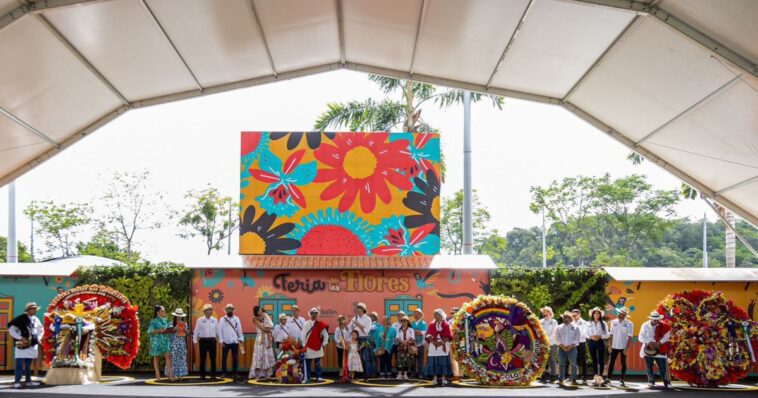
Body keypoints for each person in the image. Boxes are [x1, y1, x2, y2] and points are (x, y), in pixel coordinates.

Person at [8, 302, 44, 389]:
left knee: (28, 365)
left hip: (32, 345)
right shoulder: (20, 319)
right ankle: (17, 382)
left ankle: (28, 381)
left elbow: (40, 329)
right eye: (33, 309)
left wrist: (38, 338)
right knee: (19, 364)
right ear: (28, 310)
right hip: (22, 345)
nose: (35, 310)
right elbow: (11, 330)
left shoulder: (36, 319)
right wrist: (19, 338)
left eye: (35, 309)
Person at [639, 311, 671, 389]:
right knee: (649, 366)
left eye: (657, 319)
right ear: (651, 319)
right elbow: (641, 337)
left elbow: (667, 336)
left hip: (660, 348)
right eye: (654, 319)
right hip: (648, 348)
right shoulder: (645, 325)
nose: (656, 321)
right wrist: (649, 342)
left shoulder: (663, 325)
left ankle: (666, 382)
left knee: (662, 366)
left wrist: (659, 343)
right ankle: (651, 381)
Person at [425, 309, 452, 385]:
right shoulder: (431, 324)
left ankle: (443, 378)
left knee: (443, 362)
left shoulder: (446, 325)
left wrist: (441, 343)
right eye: (434, 314)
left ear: (441, 316)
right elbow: (428, 335)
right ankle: (435, 378)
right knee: (434, 361)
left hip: (443, 345)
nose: (434, 316)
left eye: (436, 314)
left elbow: (448, 336)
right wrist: (434, 342)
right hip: (434, 346)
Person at [301, 307, 329, 382]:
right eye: (313, 313)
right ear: (310, 314)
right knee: (308, 363)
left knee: (318, 363)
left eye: (315, 313)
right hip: (308, 346)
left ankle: (319, 376)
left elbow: (325, 335)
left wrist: (324, 343)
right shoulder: (306, 323)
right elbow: (303, 335)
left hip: (318, 346)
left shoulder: (320, 323)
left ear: (317, 314)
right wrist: (304, 345)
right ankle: (308, 376)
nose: (314, 315)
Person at [608, 307, 633, 387]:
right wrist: (610, 346)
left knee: (623, 363)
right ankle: (608, 379)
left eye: (621, 313)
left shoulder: (629, 323)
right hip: (614, 346)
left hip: (623, 346)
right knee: (611, 362)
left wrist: (626, 348)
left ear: (625, 315)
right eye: (618, 313)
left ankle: (622, 380)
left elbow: (630, 336)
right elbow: (611, 334)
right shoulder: (613, 322)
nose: (618, 314)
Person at [218, 303, 244, 380]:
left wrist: (241, 339)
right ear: (226, 310)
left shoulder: (237, 319)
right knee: (224, 358)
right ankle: (223, 373)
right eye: (228, 309)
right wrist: (221, 341)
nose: (230, 310)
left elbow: (239, 329)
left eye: (231, 309)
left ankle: (235, 373)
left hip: (235, 341)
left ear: (233, 310)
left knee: (235, 358)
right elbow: (220, 331)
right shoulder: (222, 319)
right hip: (225, 342)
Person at [193, 303, 219, 380]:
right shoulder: (200, 320)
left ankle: (213, 375)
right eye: (208, 310)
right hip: (203, 341)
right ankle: (202, 375)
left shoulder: (215, 320)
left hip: (212, 340)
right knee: (203, 358)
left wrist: (221, 340)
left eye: (211, 310)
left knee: (213, 359)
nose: (210, 311)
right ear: (204, 311)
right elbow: (196, 331)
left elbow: (218, 331)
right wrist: (194, 341)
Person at [554, 311, 581, 386]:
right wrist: (563, 346)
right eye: (565, 317)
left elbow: (577, 339)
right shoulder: (559, 327)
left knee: (573, 364)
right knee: (561, 364)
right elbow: (556, 338)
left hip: (572, 348)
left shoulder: (576, 327)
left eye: (568, 317)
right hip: (561, 349)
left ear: (571, 318)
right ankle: (561, 379)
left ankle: (574, 379)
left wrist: (570, 347)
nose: (566, 319)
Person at [148, 305, 173, 380]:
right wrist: (159, 331)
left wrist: (170, 330)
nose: (164, 312)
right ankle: (157, 373)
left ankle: (170, 375)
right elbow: (150, 331)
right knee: (156, 357)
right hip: (156, 341)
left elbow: (168, 329)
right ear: (157, 312)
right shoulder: (154, 321)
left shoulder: (166, 320)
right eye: (162, 311)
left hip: (165, 340)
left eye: (164, 310)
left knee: (168, 357)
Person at [250, 306, 275, 379]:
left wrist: (266, 316)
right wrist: (268, 328)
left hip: (267, 338)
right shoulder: (255, 319)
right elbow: (263, 328)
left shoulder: (265, 317)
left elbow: (271, 325)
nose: (261, 311)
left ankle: (267, 375)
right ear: (256, 312)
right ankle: (257, 375)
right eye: (259, 310)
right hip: (260, 338)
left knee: (266, 355)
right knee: (259, 356)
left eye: (261, 310)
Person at [350, 303, 373, 381]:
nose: (358, 309)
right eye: (357, 308)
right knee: (356, 357)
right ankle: (356, 375)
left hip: (365, 339)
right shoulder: (354, 318)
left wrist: (358, 324)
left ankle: (366, 376)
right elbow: (350, 328)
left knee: (365, 357)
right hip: (357, 339)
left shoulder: (368, 319)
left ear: (363, 309)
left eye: (359, 308)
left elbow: (366, 331)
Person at [587, 307, 609, 386]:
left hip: (600, 342)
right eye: (595, 313)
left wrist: (600, 336)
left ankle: (600, 377)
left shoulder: (604, 323)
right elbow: (585, 333)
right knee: (594, 360)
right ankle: (595, 376)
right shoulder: (588, 323)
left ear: (600, 315)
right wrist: (591, 337)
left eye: (598, 313)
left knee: (601, 360)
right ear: (593, 314)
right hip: (591, 342)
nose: (596, 314)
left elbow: (607, 334)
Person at [167, 308, 188, 381]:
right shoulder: (170, 323)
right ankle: (173, 375)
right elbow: (168, 333)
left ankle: (180, 374)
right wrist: (175, 329)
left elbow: (186, 333)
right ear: (175, 316)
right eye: (178, 315)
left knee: (181, 359)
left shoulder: (185, 323)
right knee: (173, 359)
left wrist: (185, 330)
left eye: (180, 316)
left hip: (181, 344)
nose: (179, 317)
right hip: (173, 344)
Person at [539, 306, 559, 384]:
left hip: (552, 343)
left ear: (549, 312)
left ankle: (553, 377)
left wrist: (547, 340)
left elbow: (554, 333)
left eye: (545, 311)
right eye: (543, 311)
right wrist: (543, 341)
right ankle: (542, 376)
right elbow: (539, 332)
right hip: (543, 344)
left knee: (552, 360)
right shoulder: (540, 321)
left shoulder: (554, 322)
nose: (544, 313)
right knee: (543, 360)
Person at [571, 308, 590, 383]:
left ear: (579, 314)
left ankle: (584, 377)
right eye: (573, 315)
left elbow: (584, 333)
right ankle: (573, 376)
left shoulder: (584, 322)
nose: (574, 316)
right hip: (572, 343)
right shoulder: (571, 322)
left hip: (581, 342)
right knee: (572, 360)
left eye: (575, 315)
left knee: (582, 360)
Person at [395, 316, 416, 380]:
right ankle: (399, 374)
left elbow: (412, 337)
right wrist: (402, 342)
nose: (404, 322)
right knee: (399, 361)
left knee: (407, 361)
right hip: (400, 347)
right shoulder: (399, 329)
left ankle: (405, 375)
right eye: (402, 321)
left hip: (408, 347)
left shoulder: (411, 329)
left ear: (408, 322)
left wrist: (406, 341)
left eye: (405, 321)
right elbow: (397, 337)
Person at [411, 308, 427, 378]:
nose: (416, 316)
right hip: (413, 344)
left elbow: (422, 333)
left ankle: (421, 374)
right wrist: (416, 332)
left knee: (420, 360)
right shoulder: (412, 323)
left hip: (420, 344)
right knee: (413, 360)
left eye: (418, 314)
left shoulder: (423, 323)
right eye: (415, 314)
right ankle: (413, 374)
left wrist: (416, 332)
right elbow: (411, 332)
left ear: (421, 315)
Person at [333, 315, 350, 380]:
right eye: (340, 319)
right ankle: (341, 370)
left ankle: (346, 371)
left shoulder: (347, 328)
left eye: (343, 319)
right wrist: (340, 343)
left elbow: (349, 336)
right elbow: (335, 338)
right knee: (340, 358)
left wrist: (347, 343)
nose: (342, 321)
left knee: (347, 358)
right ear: (339, 321)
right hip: (340, 346)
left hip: (347, 346)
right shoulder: (337, 329)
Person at [448, 307, 461, 380]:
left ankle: (461, 375)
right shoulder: (450, 321)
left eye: (453, 313)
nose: (452, 314)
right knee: (453, 359)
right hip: (452, 341)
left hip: (460, 341)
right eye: (451, 313)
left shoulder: (462, 320)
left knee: (461, 358)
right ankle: (456, 375)